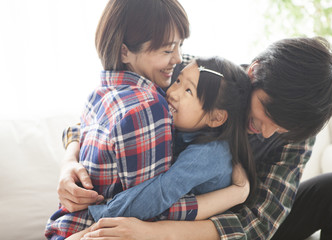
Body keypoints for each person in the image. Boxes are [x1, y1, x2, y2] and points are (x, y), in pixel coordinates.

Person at [61, 37, 332, 240]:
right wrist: (70, 160)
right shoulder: (196, 78)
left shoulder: (295, 129)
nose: (267, 132)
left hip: (226, 225)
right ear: (253, 72)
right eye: (265, 114)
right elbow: (105, 112)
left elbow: (260, 223)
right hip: (176, 206)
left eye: (280, 129)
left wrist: (154, 233)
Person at [45, 0, 255, 239]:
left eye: (180, 46)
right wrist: (68, 162)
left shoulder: (102, 91)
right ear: (125, 51)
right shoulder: (150, 107)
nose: (177, 59)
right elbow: (153, 208)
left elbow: (156, 200)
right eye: (168, 50)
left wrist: (101, 212)